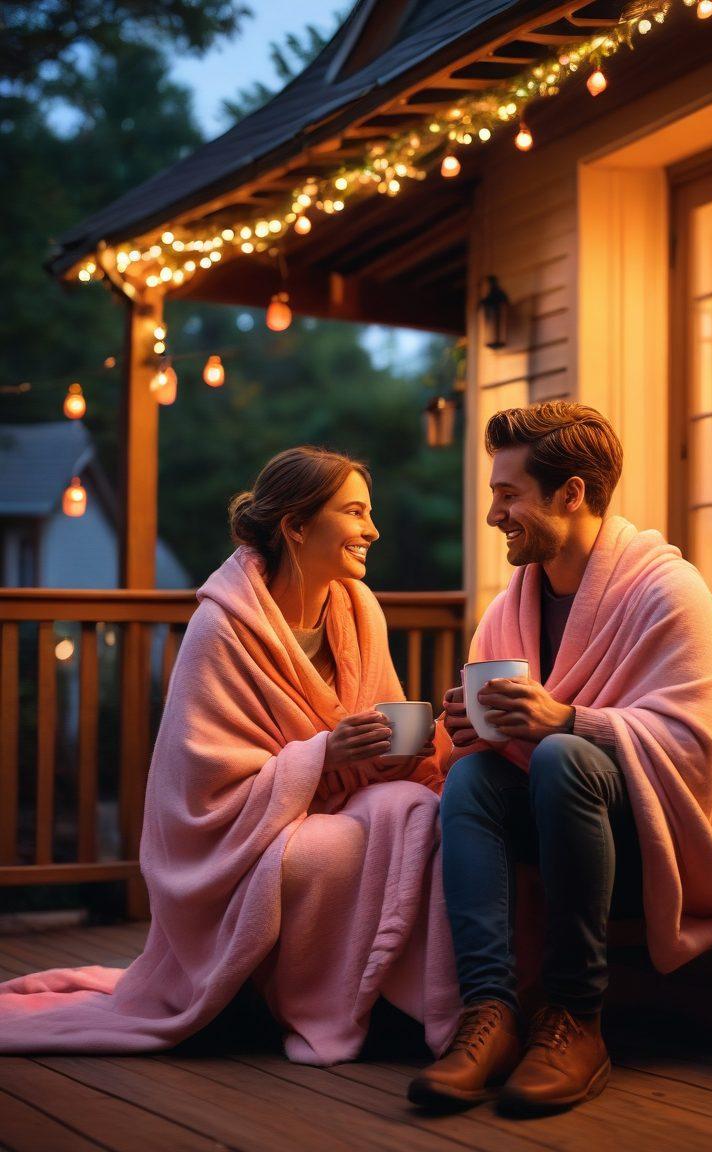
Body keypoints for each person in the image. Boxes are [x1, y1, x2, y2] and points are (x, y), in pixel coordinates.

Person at [0, 446, 460, 1064]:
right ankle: (325, 1006)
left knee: (409, 807)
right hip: (240, 846)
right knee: (341, 844)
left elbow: (379, 741)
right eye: (354, 513)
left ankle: (407, 1004)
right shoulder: (222, 628)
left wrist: (410, 747)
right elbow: (201, 793)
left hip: (331, 809)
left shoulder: (360, 611)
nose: (372, 530)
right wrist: (321, 755)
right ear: (295, 525)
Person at [408, 401, 712, 1115]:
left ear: (572, 493)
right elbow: (494, 747)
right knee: (474, 778)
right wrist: (468, 728)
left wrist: (568, 719)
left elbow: (695, 748)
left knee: (564, 756)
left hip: (655, 852)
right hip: (554, 843)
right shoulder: (510, 606)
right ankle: (490, 1013)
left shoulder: (667, 592)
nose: (495, 514)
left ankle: (575, 1018)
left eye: (508, 494)